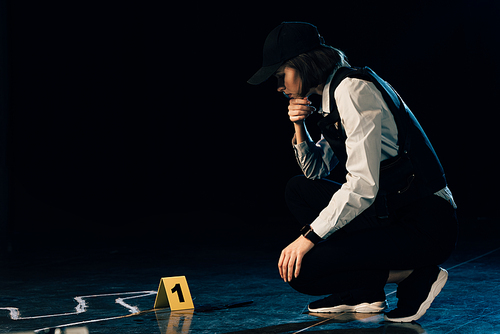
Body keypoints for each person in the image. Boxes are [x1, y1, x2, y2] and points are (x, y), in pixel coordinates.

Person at [247, 22, 458, 322]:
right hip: (391, 210)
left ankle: (418, 274)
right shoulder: (329, 96)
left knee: (302, 271)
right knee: (299, 190)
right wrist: (299, 126)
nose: (278, 86)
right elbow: (315, 172)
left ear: (303, 65)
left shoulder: (353, 91)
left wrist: (309, 236)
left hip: (426, 222)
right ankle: (367, 291)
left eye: (281, 75)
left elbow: (362, 185)